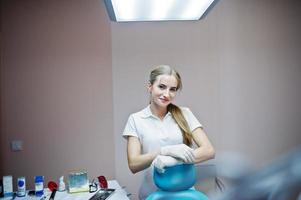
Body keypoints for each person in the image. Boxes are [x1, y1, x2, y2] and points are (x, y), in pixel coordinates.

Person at [122, 65, 215, 200]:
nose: (167, 94)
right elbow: (134, 164)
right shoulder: (136, 119)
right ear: (150, 87)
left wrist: (171, 160)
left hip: (184, 194)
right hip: (152, 194)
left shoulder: (185, 113)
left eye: (173, 89)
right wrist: (164, 151)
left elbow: (209, 151)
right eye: (162, 87)